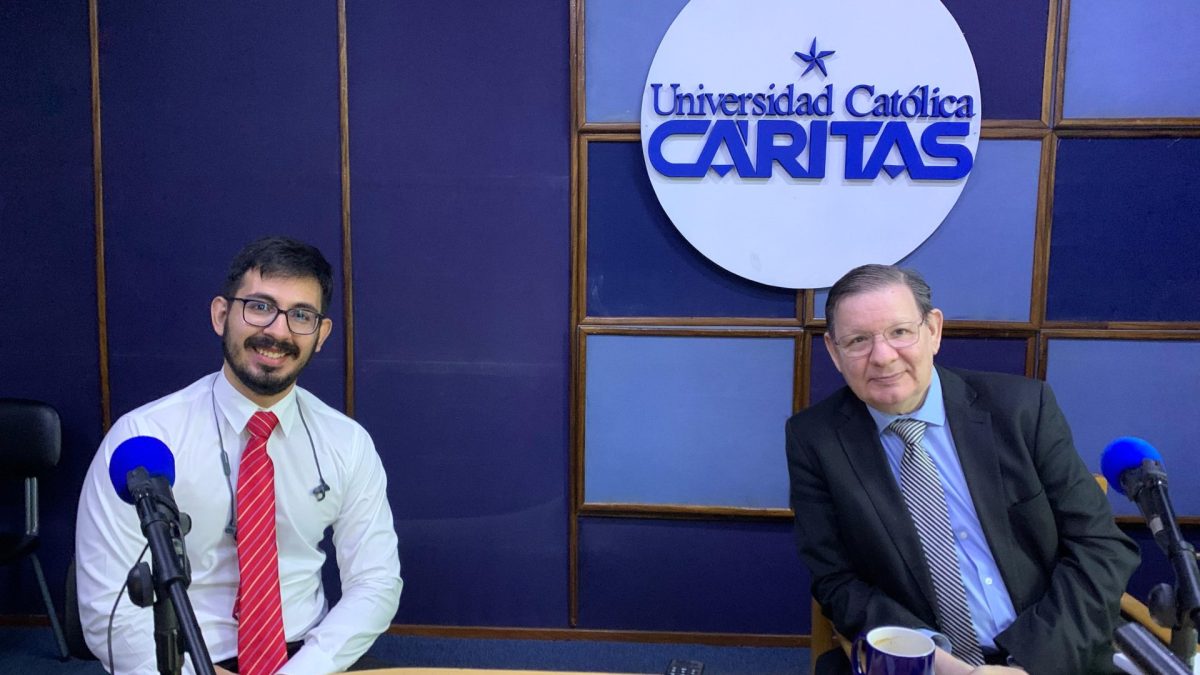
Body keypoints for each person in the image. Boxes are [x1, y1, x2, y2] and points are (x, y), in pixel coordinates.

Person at [787, 264, 1139, 674]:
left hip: (1053, 654)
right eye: (858, 340)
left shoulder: (1022, 409)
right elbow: (838, 581)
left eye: (900, 332)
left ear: (933, 330)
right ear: (834, 352)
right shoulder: (815, 440)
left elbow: (1100, 547)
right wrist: (947, 667)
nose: (882, 356)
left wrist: (1030, 663)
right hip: (931, 662)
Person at [76, 236, 402, 675]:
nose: (279, 332)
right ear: (221, 315)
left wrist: (305, 668)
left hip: (307, 658)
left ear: (321, 334)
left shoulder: (347, 442)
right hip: (183, 659)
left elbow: (375, 581)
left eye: (301, 315)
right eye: (260, 306)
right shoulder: (143, 439)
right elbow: (107, 609)